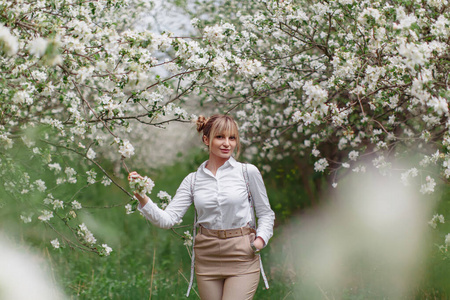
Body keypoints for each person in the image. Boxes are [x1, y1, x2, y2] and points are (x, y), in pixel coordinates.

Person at [129, 114, 275, 300]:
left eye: (232, 138)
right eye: (220, 137)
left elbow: (266, 213)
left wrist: (259, 242)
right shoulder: (193, 180)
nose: (227, 144)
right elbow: (168, 220)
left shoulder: (247, 172)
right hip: (207, 256)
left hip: (242, 254)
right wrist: (141, 196)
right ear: (206, 139)